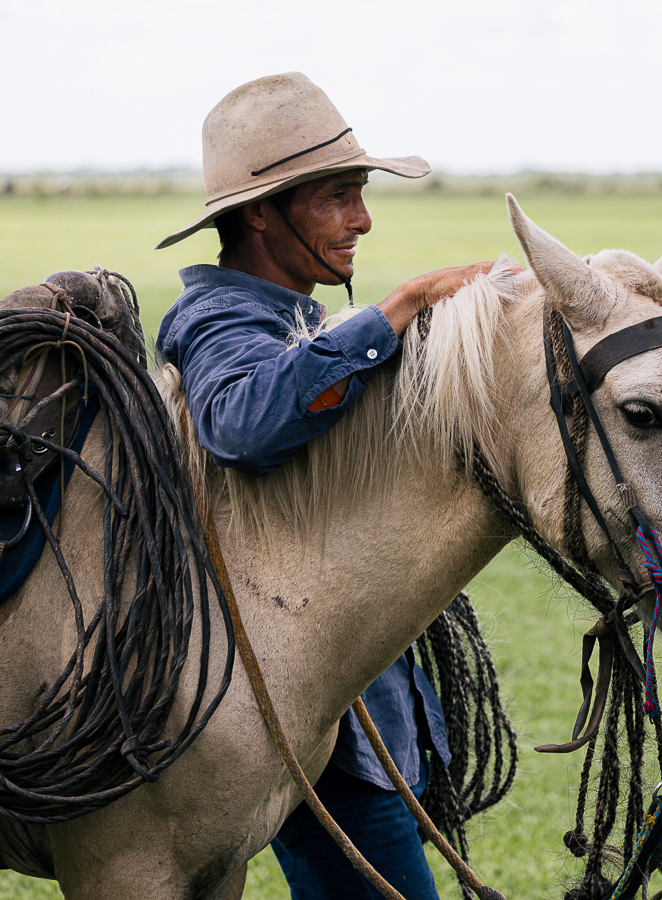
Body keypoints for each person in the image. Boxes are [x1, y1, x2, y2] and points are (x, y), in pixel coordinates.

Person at [154, 73, 501, 899]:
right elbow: (241, 423)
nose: (363, 218)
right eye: (338, 197)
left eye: (361, 195)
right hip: (293, 712)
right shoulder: (218, 321)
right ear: (260, 214)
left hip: (329, 700)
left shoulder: (299, 321)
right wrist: (402, 308)